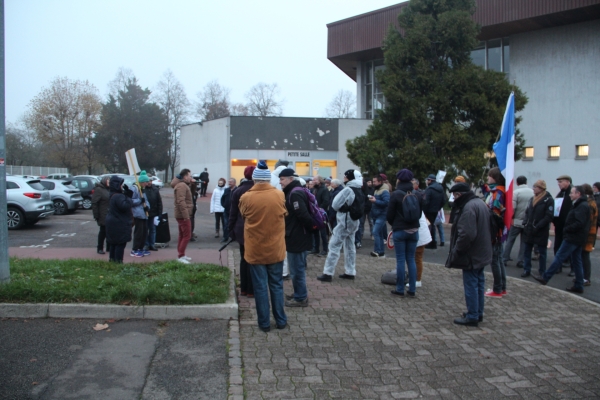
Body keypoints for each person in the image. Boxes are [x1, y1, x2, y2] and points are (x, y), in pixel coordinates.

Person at [239, 161, 288, 332]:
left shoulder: (246, 197)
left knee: (260, 287)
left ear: (254, 179)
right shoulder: (279, 195)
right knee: (277, 284)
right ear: (268, 179)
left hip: (256, 249)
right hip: (276, 248)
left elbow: (243, 215)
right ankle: (281, 321)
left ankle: (264, 324)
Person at [446, 182, 492, 327]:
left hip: (472, 253)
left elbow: (466, 234)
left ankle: (473, 315)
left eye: (454, 195)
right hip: (482, 250)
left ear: (459, 194)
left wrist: (457, 250)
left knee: (471, 283)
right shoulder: (479, 203)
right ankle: (477, 312)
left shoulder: (468, 207)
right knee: (479, 282)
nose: (454, 199)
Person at [534, 185, 591, 293]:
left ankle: (545, 277)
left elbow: (579, 223)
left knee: (560, 256)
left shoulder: (582, 206)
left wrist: (567, 229)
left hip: (573, 237)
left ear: (578, 194)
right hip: (577, 237)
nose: (570, 195)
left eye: (572, 193)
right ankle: (579, 284)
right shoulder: (579, 204)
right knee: (576, 260)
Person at [317, 170, 363, 282]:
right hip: (354, 221)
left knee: (333, 245)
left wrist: (342, 208)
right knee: (350, 246)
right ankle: (350, 271)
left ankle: (328, 273)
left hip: (345, 222)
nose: (344, 177)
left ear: (349, 178)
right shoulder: (358, 189)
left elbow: (335, 204)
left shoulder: (348, 189)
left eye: (346, 176)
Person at [279, 168, 314, 307]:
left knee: (296, 269)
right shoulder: (294, 192)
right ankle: (299, 293)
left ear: (290, 179)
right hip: (296, 234)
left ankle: (301, 297)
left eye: (282, 179)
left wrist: (310, 229)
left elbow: (303, 216)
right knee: (295, 268)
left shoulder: (295, 194)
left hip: (297, 236)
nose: (280, 182)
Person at [387, 169, 423, 297]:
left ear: (399, 180)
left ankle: (400, 288)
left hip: (400, 230)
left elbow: (389, 215)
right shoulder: (417, 194)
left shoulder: (396, 194)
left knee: (400, 260)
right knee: (411, 260)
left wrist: (395, 224)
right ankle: (412, 289)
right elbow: (419, 214)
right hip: (414, 230)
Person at [229, 166, 255, 297]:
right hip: (254, 229)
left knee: (244, 259)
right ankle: (252, 289)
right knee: (254, 260)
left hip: (240, 229)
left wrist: (231, 229)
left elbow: (232, 213)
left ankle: (244, 288)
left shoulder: (238, 190)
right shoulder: (256, 190)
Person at [482, 167, 507, 298]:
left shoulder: (497, 193)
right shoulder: (497, 191)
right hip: (498, 231)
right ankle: (502, 287)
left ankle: (497, 289)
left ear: (495, 178)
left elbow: (495, 211)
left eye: (489, 176)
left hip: (495, 231)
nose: (487, 177)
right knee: (499, 259)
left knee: (495, 260)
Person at [521, 180, 554, 278]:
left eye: (535, 187)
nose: (533, 188)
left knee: (542, 252)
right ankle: (526, 269)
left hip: (540, 230)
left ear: (541, 188)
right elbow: (527, 212)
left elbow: (549, 216)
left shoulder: (548, 200)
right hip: (529, 229)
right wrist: (525, 222)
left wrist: (538, 225)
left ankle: (542, 271)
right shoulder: (532, 199)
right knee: (527, 251)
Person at [503, 176, 534, 267]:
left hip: (516, 220)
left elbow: (513, 207)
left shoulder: (516, 193)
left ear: (517, 183)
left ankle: (505, 257)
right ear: (526, 182)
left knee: (510, 240)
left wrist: (511, 218)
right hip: (527, 221)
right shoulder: (532, 192)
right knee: (524, 242)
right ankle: (521, 260)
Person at [105, 176, 134, 263]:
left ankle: (112, 261)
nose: (122, 186)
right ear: (117, 185)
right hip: (120, 223)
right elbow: (125, 206)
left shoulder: (112, 195)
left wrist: (125, 195)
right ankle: (118, 262)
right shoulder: (118, 196)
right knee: (120, 244)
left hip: (113, 222)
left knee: (113, 243)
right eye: (121, 184)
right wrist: (128, 197)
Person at [171, 168, 194, 264]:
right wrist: (186, 215)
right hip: (183, 215)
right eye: (189, 176)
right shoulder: (181, 186)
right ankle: (180, 256)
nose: (190, 177)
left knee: (182, 234)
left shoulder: (183, 185)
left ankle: (182, 254)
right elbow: (181, 201)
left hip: (182, 214)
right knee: (187, 235)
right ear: (185, 177)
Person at [553, 175, 573, 274]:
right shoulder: (560, 194)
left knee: (570, 247)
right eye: (558, 182)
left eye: (561, 182)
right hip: (559, 224)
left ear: (567, 182)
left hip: (568, 225)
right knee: (557, 245)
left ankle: (572, 268)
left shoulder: (572, 194)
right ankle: (558, 266)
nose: (559, 184)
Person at [130, 171, 150, 257]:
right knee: (138, 232)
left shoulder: (143, 189)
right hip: (138, 214)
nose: (147, 183)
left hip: (144, 214)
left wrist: (147, 207)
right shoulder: (134, 188)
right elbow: (130, 200)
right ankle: (135, 249)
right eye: (146, 182)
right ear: (142, 182)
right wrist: (139, 201)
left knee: (144, 232)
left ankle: (141, 248)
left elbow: (146, 200)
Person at [410, 211, 432, 289]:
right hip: (421, 234)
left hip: (420, 235)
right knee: (416, 258)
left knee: (417, 258)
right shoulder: (418, 205)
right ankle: (415, 278)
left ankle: (417, 280)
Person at [423, 174, 446, 249]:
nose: (426, 181)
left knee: (428, 226)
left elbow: (426, 201)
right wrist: (438, 207)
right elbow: (443, 200)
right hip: (435, 210)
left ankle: (430, 242)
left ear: (430, 180)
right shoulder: (440, 188)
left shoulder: (429, 189)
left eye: (427, 180)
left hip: (428, 210)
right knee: (432, 225)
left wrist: (424, 210)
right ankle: (433, 242)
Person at [370, 175, 390, 258]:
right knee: (380, 233)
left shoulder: (384, 191)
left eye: (375, 181)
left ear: (380, 182)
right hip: (376, 214)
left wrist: (375, 201)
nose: (373, 183)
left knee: (375, 232)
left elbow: (386, 203)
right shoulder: (376, 190)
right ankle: (381, 252)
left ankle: (378, 251)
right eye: (373, 181)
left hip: (381, 214)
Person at [582, 184, 597, 286]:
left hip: (587, 234)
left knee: (585, 256)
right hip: (589, 233)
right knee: (583, 256)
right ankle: (583, 276)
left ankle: (586, 278)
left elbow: (588, 220)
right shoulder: (590, 202)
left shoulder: (589, 204)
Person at [311, 176, 330, 257]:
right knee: (315, 231)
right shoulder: (314, 189)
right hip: (314, 213)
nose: (313, 181)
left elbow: (326, 201)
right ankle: (316, 248)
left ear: (319, 181)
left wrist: (319, 210)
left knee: (323, 233)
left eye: (314, 180)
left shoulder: (324, 189)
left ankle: (325, 249)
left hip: (321, 214)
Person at [92, 176, 110, 255]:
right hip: (102, 214)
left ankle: (109, 247)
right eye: (108, 181)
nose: (109, 182)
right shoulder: (99, 190)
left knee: (110, 231)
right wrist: (96, 215)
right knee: (103, 232)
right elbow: (95, 203)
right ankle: (100, 248)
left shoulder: (109, 189)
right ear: (104, 181)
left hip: (109, 213)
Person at [144, 177, 163, 252]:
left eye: (150, 181)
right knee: (145, 229)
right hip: (145, 213)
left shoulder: (155, 189)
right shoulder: (143, 190)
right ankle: (146, 244)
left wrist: (159, 213)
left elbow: (159, 202)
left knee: (153, 229)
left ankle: (152, 244)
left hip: (153, 213)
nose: (149, 182)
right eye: (148, 181)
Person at [355, 178, 373, 249]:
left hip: (366, 208)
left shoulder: (369, 190)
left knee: (370, 222)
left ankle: (371, 234)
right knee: (360, 224)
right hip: (361, 209)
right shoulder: (360, 190)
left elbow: (367, 198)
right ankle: (360, 236)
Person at [220, 178, 237, 243]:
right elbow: (222, 199)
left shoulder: (237, 190)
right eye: (229, 182)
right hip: (226, 211)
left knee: (234, 224)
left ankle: (234, 237)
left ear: (234, 183)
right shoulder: (226, 190)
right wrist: (224, 205)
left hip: (234, 211)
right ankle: (225, 237)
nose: (229, 183)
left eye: (231, 182)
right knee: (226, 224)